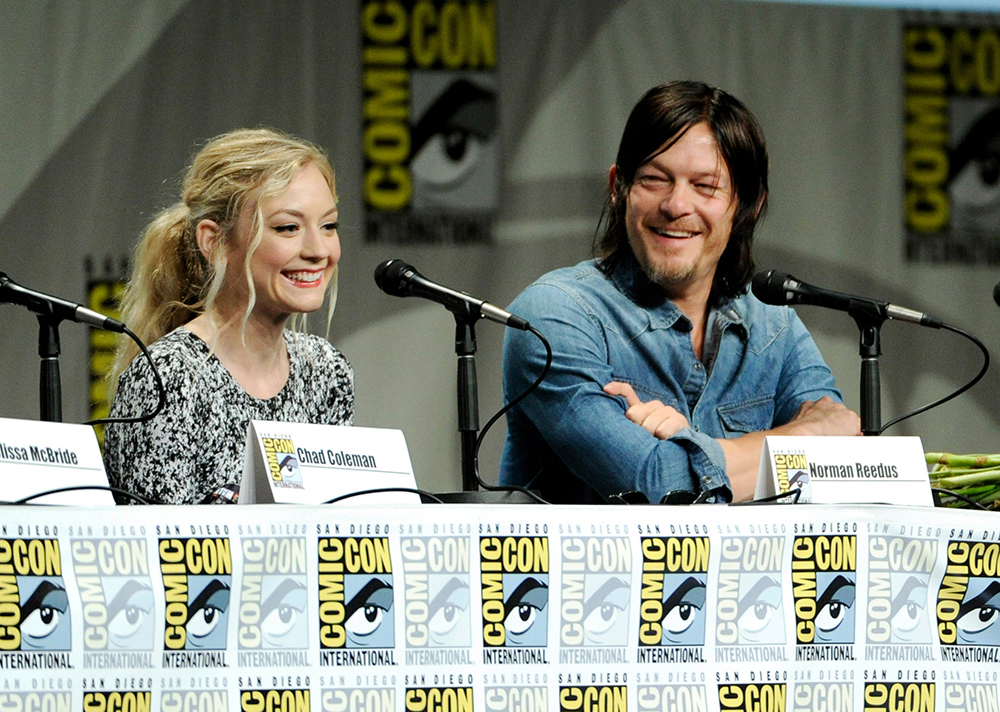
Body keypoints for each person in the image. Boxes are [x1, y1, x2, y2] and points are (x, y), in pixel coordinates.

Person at [499, 81, 860, 505]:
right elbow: (663, 487)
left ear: (749, 205)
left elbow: (842, 470)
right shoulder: (554, 314)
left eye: (705, 186)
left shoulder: (772, 323)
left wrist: (689, 446)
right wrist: (808, 434)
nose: (675, 205)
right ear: (619, 187)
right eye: (655, 179)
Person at [104, 128, 354, 504]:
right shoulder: (169, 377)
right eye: (288, 227)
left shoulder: (325, 370)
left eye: (328, 226)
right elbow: (161, 553)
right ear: (214, 241)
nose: (319, 250)